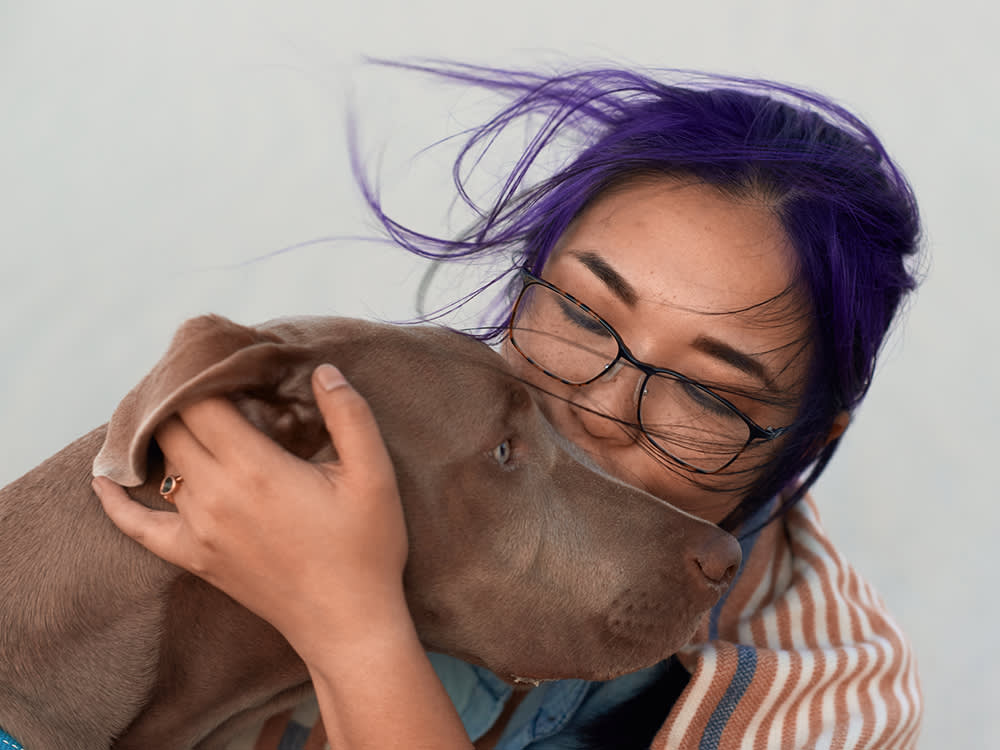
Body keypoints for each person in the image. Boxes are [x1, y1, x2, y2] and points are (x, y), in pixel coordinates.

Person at [93, 61, 924, 749]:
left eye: (708, 392)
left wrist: (353, 632)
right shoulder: (337, 439)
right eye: (581, 312)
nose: (600, 405)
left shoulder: (835, 699)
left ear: (809, 436)